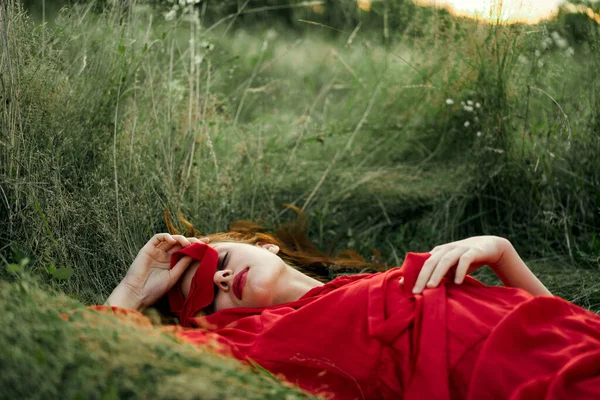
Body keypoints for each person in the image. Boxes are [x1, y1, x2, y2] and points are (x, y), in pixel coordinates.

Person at [102, 226, 600, 400]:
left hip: (572, 341)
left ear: (265, 247)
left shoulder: (359, 284)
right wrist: (132, 289)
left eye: (222, 263)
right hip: (516, 383)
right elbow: (100, 349)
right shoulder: (261, 341)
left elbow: (554, 319)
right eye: (212, 301)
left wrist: (501, 252)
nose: (224, 281)